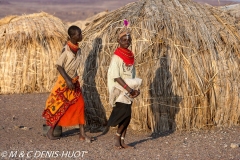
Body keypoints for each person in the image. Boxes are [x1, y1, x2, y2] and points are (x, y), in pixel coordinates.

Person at [42, 25, 93, 142]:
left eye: (80, 33)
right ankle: (50, 131)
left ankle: (82, 134)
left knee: (80, 105)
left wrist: (73, 80)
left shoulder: (78, 50)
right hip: (65, 82)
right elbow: (59, 66)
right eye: (78, 34)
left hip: (74, 82)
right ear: (72, 36)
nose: (81, 36)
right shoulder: (66, 50)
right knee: (60, 106)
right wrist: (68, 80)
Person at [106, 22, 140, 149]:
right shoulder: (116, 58)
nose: (127, 41)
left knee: (128, 115)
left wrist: (136, 89)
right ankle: (117, 138)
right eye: (124, 39)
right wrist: (129, 89)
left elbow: (132, 74)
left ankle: (122, 141)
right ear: (118, 41)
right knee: (124, 114)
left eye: (128, 39)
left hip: (128, 90)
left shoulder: (130, 56)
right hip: (119, 89)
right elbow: (116, 76)